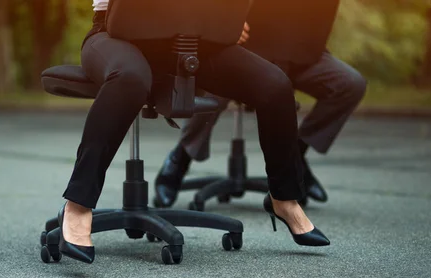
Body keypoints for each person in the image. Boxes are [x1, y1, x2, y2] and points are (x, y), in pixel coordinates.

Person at [58, 0, 330, 264]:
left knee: (275, 85)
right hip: (113, 35)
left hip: (189, 41)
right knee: (130, 77)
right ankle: (79, 204)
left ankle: (283, 198)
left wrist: (223, 23)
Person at [154, 0, 367, 208]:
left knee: (350, 84)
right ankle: (181, 158)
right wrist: (226, 27)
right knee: (215, 91)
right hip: (246, 48)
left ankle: (295, 156)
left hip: (300, 54)